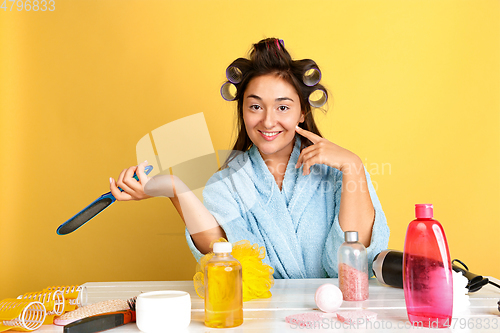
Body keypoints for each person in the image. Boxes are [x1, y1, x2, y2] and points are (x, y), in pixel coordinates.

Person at [110, 38, 390, 279]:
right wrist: (174, 189)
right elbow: (229, 259)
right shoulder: (227, 183)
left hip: (338, 315)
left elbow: (356, 265)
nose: (268, 121)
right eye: (255, 106)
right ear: (242, 111)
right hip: (263, 316)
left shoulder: (339, 172)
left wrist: (354, 166)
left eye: (283, 107)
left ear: (302, 112)